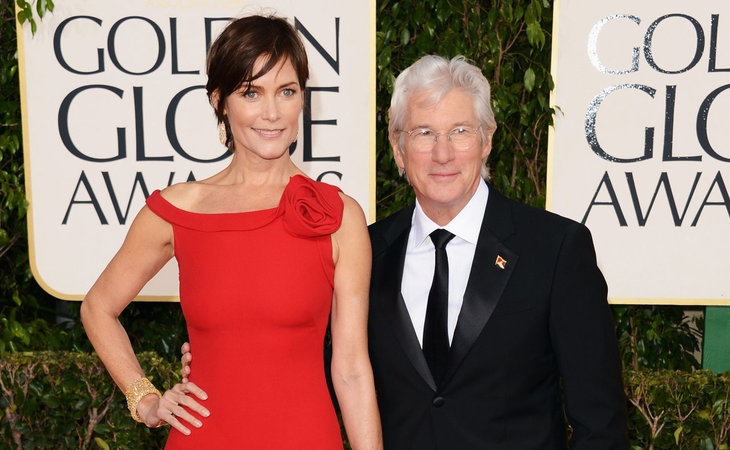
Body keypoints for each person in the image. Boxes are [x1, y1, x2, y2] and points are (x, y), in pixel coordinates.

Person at [183, 54, 629, 449]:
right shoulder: (365, 250)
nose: (442, 153)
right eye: (423, 133)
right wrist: (221, 354)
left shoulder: (555, 249)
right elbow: (313, 365)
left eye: (460, 131)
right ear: (398, 149)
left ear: (487, 140)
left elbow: (600, 423)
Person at [81, 14, 382, 449]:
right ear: (220, 100)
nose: (272, 113)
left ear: (303, 99)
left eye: (287, 91)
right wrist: (143, 397)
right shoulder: (177, 211)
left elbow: (352, 368)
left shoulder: (340, 218)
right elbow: (97, 307)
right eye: (251, 93)